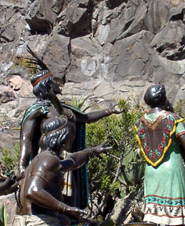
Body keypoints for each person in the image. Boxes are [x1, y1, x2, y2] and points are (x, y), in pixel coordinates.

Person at [14, 116, 111, 226]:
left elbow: (71, 162)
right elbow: (32, 191)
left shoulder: (42, 159)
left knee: (66, 222)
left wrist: (92, 151)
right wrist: (66, 208)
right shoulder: (48, 160)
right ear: (64, 138)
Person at [19, 67, 119, 209]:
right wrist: (22, 167)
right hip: (48, 160)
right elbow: (26, 139)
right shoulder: (38, 110)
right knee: (53, 197)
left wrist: (109, 111)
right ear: (48, 85)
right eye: (54, 81)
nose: (58, 84)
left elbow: (86, 118)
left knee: (72, 198)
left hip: (69, 158)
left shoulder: (66, 109)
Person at [135, 84, 185, 226]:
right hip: (171, 166)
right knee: (175, 207)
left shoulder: (140, 121)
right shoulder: (173, 119)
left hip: (151, 170)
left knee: (152, 209)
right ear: (163, 99)